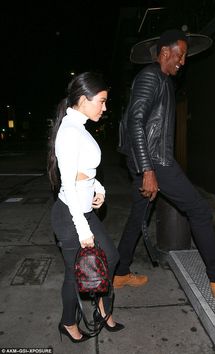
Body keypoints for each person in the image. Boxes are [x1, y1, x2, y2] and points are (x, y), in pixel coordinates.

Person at [114, 29, 215, 298]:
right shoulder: (150, 76)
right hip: (156, 163)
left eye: (185, 57)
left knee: (137, 217)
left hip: (151, 161)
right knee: (201, 212)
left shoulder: (163, 80)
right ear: (165, 52)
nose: (183, 61)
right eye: (180, 55)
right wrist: (148, 170)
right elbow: (136, 121)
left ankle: (120, 272)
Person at [47, 72, 124, 344]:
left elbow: (87, 170)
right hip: (71, 216)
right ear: (83, 99)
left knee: (111, 257)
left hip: (84, 210)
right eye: (101, 102)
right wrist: (82, 230)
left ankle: (102, 307)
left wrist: (99, 189)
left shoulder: (80, 127)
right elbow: (68, 182)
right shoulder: (69, 131)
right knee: (74, 274)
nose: (105, 108)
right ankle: (68, 322)